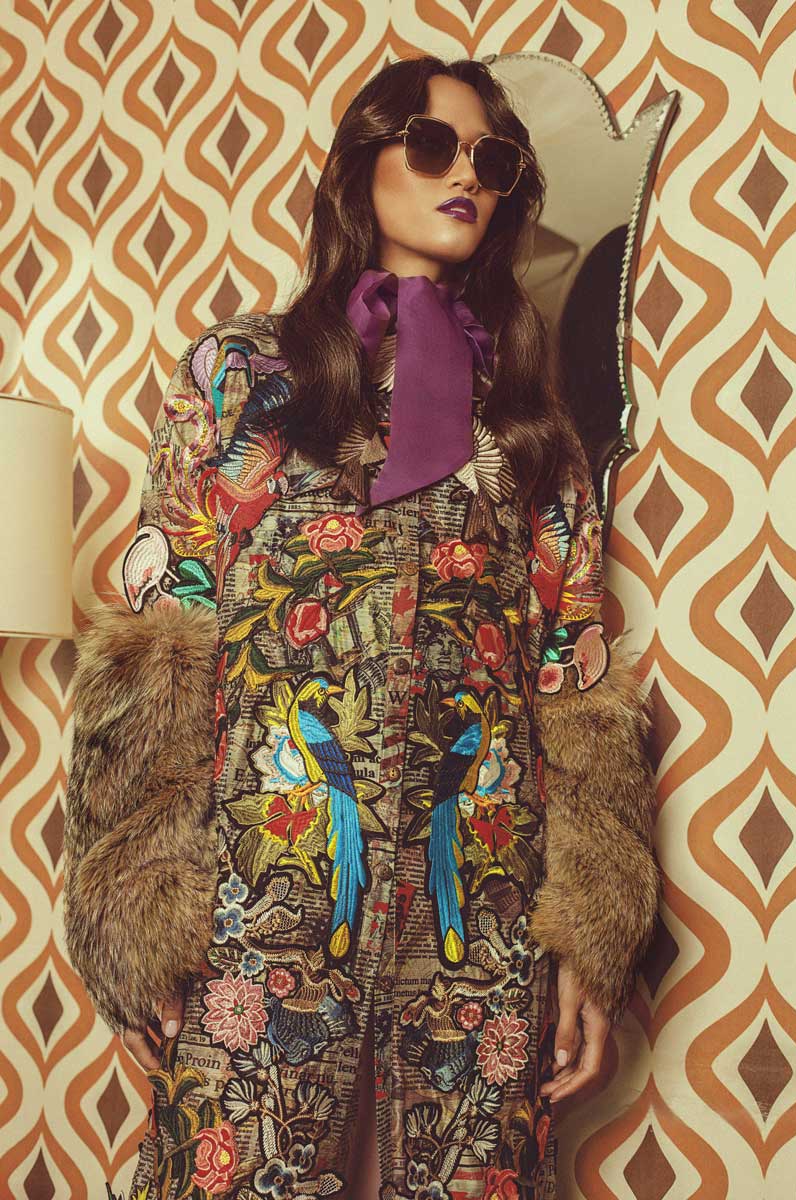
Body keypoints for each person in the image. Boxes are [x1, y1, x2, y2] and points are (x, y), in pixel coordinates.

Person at [64, 54, 660, 1200]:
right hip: (262, 887)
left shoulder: (525, 416)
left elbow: (571, 676)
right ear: (360, 167)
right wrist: (133, 905)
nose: (464, 177)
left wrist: (592, 930)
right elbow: (162, 641)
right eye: (431, 146)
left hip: (475, 904)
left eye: (491, 158)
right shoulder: (244, 375)